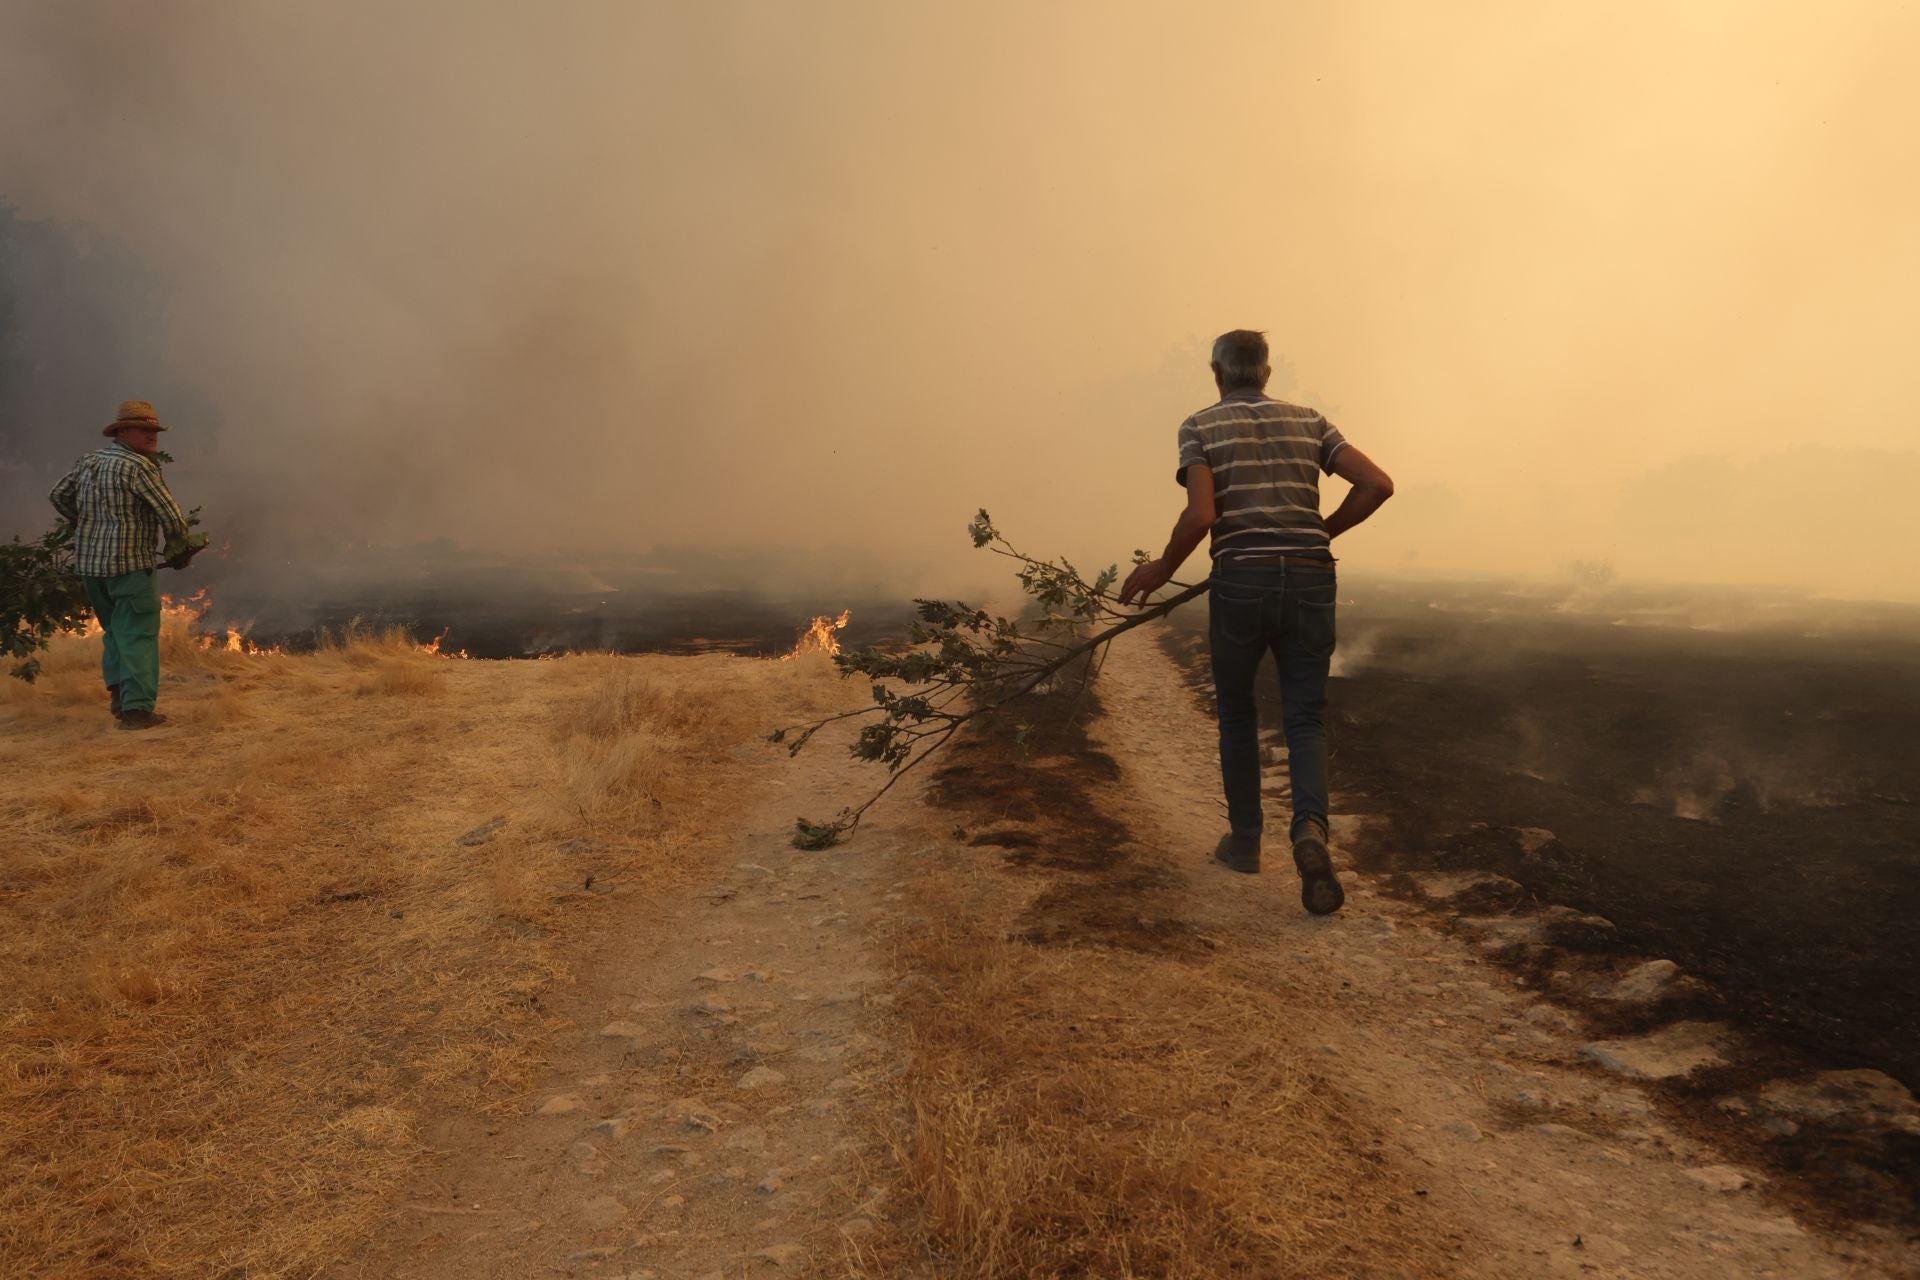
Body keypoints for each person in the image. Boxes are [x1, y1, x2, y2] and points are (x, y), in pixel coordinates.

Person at [1119, 331, 1393, 914]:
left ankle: (1245, 843)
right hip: (1312, 579)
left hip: (1242, 581)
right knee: (1305, 716)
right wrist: (1320, 532)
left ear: (1217, 373)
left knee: (1238, 712)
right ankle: (1309, 832)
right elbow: (1377, 485)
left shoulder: (1200, 426)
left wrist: (1163, 569)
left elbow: (1201, 514)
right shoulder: (1313, 421)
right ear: (1267, 372)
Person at [48, 400, 194, 730]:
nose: (152, 436)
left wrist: (83, 523)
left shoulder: (90, 461)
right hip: (130, 568)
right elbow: (172, 515)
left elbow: (57, 495)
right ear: (123, 431)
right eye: (145, 430)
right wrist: (178, 547)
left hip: (91, 568)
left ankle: (119, 697)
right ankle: (137, 710)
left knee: (115, 632)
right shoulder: (139, 467)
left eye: (155, 431)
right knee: (138, 635)